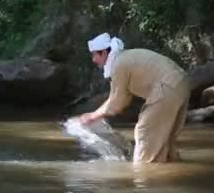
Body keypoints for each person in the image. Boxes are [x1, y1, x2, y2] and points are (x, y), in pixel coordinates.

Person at [78, 33, 191, 163]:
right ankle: (172, 175)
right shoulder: (123, 60)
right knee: (165, 140)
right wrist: (97, 114)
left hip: (168, 86)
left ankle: (142, 178)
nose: (93, 60)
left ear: (103, 53)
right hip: (182, 83)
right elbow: (123, 99)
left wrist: (93, 116)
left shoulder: (118, 65)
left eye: (94, 55)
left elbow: (117, 101)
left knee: (145, 132)